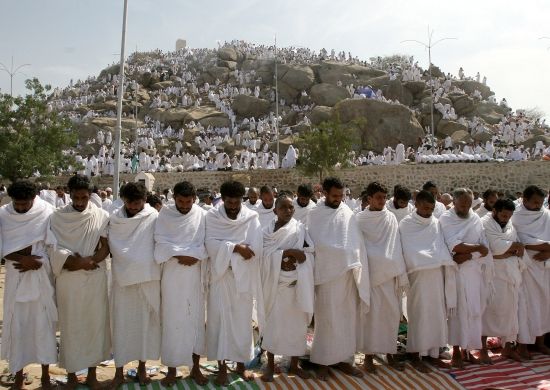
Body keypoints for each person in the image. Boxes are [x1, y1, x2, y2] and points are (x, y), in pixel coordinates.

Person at [47, 174, 111, 389]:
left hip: (94, 276)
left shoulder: (101, 215)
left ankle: (92, 376)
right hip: (68, 279)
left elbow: (105, 246)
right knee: (71, 326)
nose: (80, 202)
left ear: (90, 195)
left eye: (84, 197)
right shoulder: (57, 217)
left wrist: (89, 261)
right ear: (69, 194)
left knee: (95, 325)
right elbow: (52, 249)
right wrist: (74, 262)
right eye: (76, 197)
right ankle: (72, 377)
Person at [306, 177, 369, 381]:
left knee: (346, 320)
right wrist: (333, 253)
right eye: (334, 195)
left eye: (341, 196)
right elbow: (313, 243)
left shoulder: (347, 212)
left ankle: (344, 359)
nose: (338, 199)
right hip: (325, 276)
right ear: (324, 193)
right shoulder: (314, 214)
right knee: (326, 320)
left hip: (347, 275)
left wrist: (350, 258)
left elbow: (355, 241)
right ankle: (323, 361)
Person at [205, 181, 264, 386]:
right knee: (219, 321)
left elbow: (255, 247)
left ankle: (240, 366)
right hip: (221, 278)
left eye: (236, 201)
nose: (232, 205)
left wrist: (231, 250)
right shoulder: (212, 217)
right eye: (229, 201)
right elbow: (210, 245)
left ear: (242, 200)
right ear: (222, 199)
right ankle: (221, 367)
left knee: (242, 323)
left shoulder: (250, 218)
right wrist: (237, 248)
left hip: (243, 279)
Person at [0, 181, 57, 390]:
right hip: (16, 274)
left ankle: (44, 378)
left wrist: (36, 261)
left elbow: (53, 243)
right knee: (17, 325)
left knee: (43, 326)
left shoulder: (47, 212)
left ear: (34, 199)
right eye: (18, 204)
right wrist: (21, 258)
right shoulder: (3, 215)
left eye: (26, 204)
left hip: (41, 274)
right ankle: (17, 377)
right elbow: (2, 246)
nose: (22, 208)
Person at [154, 181, 209, 386]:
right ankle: (171, 369)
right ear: (174, 198)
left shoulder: (201, 215)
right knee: (172, 322)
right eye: (181, 201)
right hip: (172, 275)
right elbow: (160, 243)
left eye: (188, 201)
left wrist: (192, 255)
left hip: (195, 275)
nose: (185, 205)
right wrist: (180, 254)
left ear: (194, 199)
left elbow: (205, 243)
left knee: (195, 321)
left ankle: (196, 368)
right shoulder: (165, 215)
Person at [108, 182, 161, 388]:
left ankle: (141, 368)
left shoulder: (153, 217)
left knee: (144, 326)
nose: (133, 207)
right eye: (129, 203)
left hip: (147, 281)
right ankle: (119, 372)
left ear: (144, 200)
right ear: (123, 200)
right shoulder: (115, 220)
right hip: (122, 281)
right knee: (121, 325)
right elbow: (114, 246)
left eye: (137, 203)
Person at [399, 190, 457, 372]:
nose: (428, 211)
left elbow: (440, 247)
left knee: (436, 316)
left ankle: (432, 354)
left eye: (432, 208)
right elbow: (408, 250)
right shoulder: (406, 224)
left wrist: (439, 260)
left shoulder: (435, 223)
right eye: (425, 207)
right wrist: (428, 259)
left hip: (436, 276)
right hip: (418, 276)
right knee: (419, 316)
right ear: (416, 204)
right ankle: (416, 355)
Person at [260, 194, 314, 382]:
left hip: (296, 284)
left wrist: (299, 258)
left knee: (297, 327)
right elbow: (262, 255)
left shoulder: (300, 228)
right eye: (283, 207)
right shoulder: (266, 231)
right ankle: (270, 365)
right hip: (274, 286)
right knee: (273, 326)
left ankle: (294, 364)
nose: (288, 211)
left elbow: (310, 251)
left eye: (291, 207)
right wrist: (285, 254)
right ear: (275, 210)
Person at [356, 182, 408, 373]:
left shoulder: (391, 218)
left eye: (384, 197)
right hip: (370, 276)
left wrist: (393, 265)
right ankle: (368, 357)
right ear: (368, 199)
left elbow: (395, 245)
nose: (382, 201)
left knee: (391, 317)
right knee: (371, 317)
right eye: (378, 197)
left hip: (390, 276)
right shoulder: (359, 219)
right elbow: (359, 248)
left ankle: (390, 354)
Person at [439, 188, 493, 368]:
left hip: (474, 272)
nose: (466, 207)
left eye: (469, 204)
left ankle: (468, 350)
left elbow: (484, 248)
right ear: (454, 202)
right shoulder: (446, 219)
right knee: (457, 314)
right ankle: (455, 352)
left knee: (474, 313)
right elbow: (454, 246)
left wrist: (470, 254)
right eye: (462, 204)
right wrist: (472, 250)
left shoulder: (475, 218)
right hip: (456, 273)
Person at [481, 198, 525, 362]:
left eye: (509, 215)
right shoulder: (484, 224)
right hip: (492, 275)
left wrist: (507, 250)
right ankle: (483, 349)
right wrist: (508, 250)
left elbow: (519, 246)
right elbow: (493, 247)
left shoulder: (510, 226)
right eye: (504, 215)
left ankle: (507, 348)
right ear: (495, 212)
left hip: (510, 274)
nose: (506, 218)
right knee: (488, 310)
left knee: (511, 312)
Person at [511, 185, 550, 356]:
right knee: (524, 305)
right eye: (534, 202)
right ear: (524, 200)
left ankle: (540, 341)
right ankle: (523, 344)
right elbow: (517, 239)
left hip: (544, 266)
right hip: (525, 266)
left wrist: (549, 250)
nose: (538, 205)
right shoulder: (515, 216)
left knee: (543, 304)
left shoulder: (547, 215)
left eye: (540, 202)